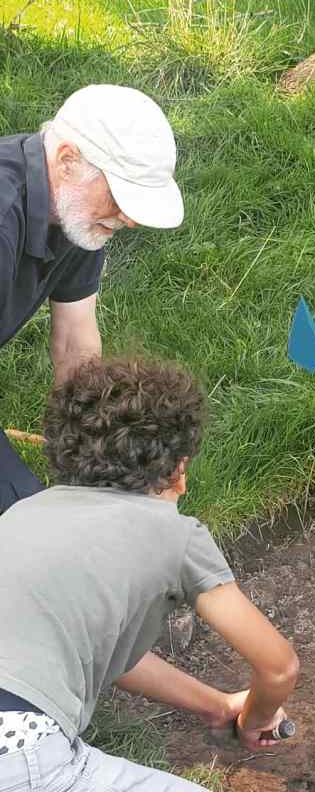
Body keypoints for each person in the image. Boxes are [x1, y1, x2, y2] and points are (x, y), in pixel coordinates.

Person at [0, 357, 299, 791]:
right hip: (17, 747)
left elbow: (101, 654)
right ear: (178, 471)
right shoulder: (174, 534)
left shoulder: (21, 514)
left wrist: (218, 705)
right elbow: (278, 667)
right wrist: (257, 717)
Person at [0, 84, 184, 512]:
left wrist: (93, 463)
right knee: (26, 527)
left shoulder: (77, 215)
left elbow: (75, 341)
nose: (131, 218)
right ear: (68, 160)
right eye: (120, 196)